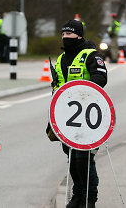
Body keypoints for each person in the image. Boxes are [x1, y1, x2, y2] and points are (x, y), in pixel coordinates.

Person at [52, 19, 107, 208]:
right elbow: (56, 89)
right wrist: (54, 118)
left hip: (89, 118)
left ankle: (90, 199)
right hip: (67, 120)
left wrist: (82, 92)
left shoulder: (91, 55)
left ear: (79, 35)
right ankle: (78, 196)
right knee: (71, 158)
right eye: (63, 34)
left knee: (84, 159)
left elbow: (101, 78)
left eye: (69, 34)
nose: (65, 37)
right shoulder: (60, 60)